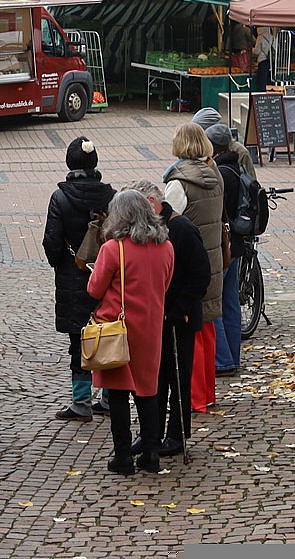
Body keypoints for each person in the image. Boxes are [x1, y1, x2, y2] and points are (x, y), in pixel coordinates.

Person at [85, 190, 176, 475]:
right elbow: (166, 284)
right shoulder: (166, 247)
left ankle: (123, 457)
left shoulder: (114, 248)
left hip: (118, 329)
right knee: (148, 393)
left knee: (119, 394)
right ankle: (150, 454)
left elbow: (94, 289)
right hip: (150, 328)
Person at [124, 180, 205, 461]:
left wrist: (179, 308)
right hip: (156, 317)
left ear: (151, 202)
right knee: (154, 379)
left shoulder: (182, 229)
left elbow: (200, 276)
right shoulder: (152, 230)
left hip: (178, 318)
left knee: (178, 379)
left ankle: (177, 434)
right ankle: (151, 434)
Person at [43, 137, 117, 421]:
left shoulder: (60, 197)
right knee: (108, 333)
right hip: (105, 273)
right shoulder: (110, 196)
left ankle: (81, 401)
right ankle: (110, 397)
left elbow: (51, 241)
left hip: (73, 274)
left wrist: (61, 265)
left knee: (78, 339)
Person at [162, 123, 225, 393]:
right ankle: (207, 391)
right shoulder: (215, 174)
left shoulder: (178, 183)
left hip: (189, 265)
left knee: (190, 331)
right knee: (208, 328)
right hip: (214, 259)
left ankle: (194, 396)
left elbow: (169, 226)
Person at [211, 125, 246, 377]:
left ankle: (223, 360)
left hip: (225, 245)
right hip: (238, 243)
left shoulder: (221, 173)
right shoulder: (238, 166)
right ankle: (233, 355)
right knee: (231, 303)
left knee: (216, 304)